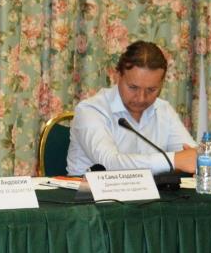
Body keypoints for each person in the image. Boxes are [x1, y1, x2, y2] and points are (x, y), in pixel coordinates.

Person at [67, 40, 197, 176]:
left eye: (151, 90)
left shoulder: (163, 110)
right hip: (89, 189)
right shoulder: (90, 111)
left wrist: (194, 158)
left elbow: (191, 156)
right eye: (133, 87)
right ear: (117, 76)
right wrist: (173, 161)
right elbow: (109, 164)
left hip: (150, 189)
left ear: (162, 83)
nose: (141, 98)